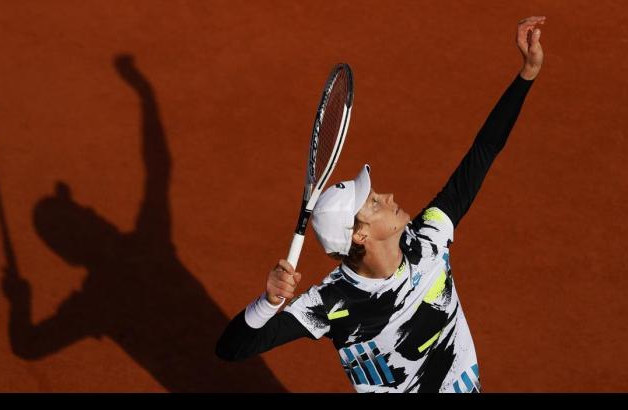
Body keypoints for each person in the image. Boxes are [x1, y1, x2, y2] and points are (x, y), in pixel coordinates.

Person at [216, 16, 545, 393]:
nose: (387, 197)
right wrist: (268, 301)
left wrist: (527, 74)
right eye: (373, 203)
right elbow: (231, 349)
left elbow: (483, 151)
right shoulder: (331, 302)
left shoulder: (429, 238)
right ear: (360, 235)